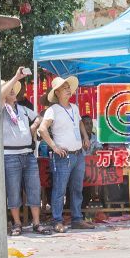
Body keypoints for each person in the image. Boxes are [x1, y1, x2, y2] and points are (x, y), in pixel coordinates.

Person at [38, 76, 95, 233]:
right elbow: (42, 129)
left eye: (68, 87)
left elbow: (79, 123)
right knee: (60, 190)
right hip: (63, 156)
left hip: (77, 153)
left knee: (77, 188)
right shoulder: (52, 110)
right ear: (56, 92)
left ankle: (77, 219)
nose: (69, 90)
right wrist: (54, 147)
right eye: (64, 88)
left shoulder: (75, 108)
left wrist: (85, 137)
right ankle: (57, 220)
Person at [0, 67, 50, 236]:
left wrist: (34, 126)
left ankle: (36, 223)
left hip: (28, 154)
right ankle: (17, 223)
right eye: (10, 90)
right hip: (10, 155)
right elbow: (0, 96)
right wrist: (15, 77)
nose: (13, 92)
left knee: (34, 188)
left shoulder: (21, 108)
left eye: (14, 89)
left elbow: (38, 117)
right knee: (13, 190)